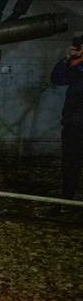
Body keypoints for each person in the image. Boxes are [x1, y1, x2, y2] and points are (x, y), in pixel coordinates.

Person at [50, 36, 83, 199]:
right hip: (74, 122)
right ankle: (67, 196)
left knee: (71, 160)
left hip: (75, 120)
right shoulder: (75, 65)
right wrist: (67, 59)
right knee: (70, 161)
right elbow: (57, 79)